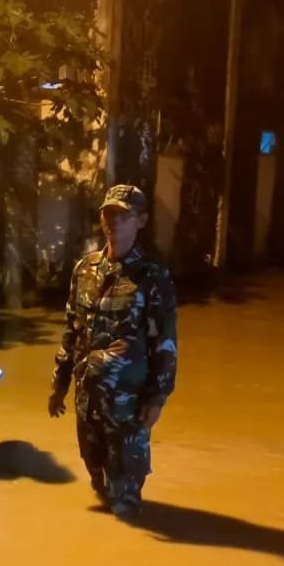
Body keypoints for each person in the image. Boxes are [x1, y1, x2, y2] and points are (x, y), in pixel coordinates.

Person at [49, 184, 177, 518]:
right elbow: (71, 329)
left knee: (125, 504)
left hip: (127, 406)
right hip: (88, 398)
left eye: (124, 215)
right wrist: (59, 382)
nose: (115, 221)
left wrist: (158, 396)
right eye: (109, 214)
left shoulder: (152, 276)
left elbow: (164, 341)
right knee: (97, 484)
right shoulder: (85, 270)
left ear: (141, 220)